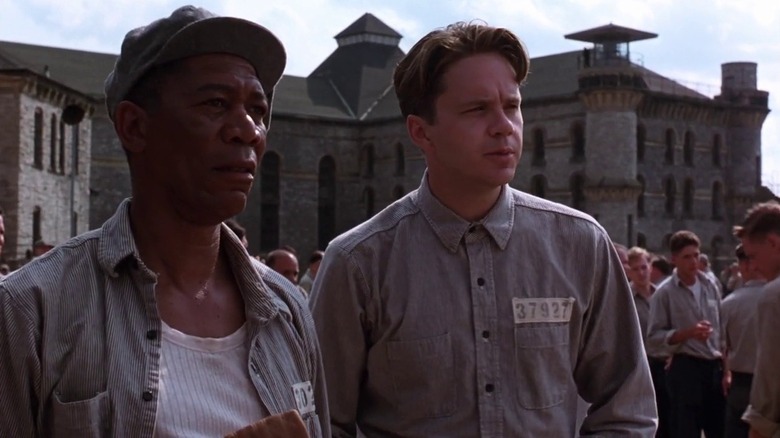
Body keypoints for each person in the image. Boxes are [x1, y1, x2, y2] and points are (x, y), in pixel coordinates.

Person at [309, 21, 656, 437]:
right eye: (477, 109)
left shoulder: (581, 245)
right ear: (421, 132)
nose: (503, 126)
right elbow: (325, 422)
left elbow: (627, 406)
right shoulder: (359, 263)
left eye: (511, 106)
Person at [0, 6, 328, 437]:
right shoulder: (31, 311)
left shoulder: (287, 312)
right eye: (216, 103)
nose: (247, 130)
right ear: (134, 127)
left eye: (258, 110)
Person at [648, 230, 725, 438]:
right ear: (674, 260)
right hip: (686, 369)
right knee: (685, 429)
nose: (693, 261)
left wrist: (726, 368)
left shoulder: (711, 286)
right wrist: (687, 334)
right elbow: (653, 339)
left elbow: (722, 329)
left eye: (696, 255)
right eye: (687, 257)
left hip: (714, 368)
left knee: (718, 428)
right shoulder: (665, 293)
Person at [733, 201, 780, 438]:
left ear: (773, 242)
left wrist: (759, 426)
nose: (754, 267)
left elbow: (769, 377)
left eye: (754, 256)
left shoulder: (773, 296)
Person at [721, 244, 765, 438]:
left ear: (745, 266)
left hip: (741, 383)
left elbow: (723, 346)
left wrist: (725, 372)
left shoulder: (729, 304)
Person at [628, 246, 672, 438]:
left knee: (670, 420)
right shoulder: (626, 298)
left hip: (665, 365)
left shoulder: (661, 295)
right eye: (636, 269)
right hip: (640, 366)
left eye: (644, 267)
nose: (641, 273)